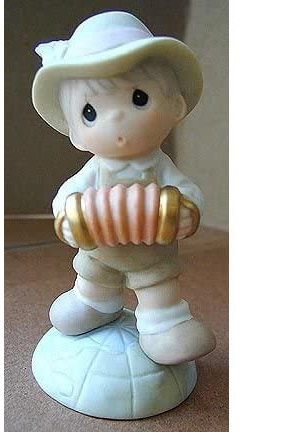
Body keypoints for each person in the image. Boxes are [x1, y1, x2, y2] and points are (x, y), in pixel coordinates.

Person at [32, 11, 216, 365]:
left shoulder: (160, 167)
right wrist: (68, 219)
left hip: (152, 256)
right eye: (90, 112)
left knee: (157, 284)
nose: (116, 119)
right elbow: (67, 196)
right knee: (93, 275)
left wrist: (185, 212)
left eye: (139, 98)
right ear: (75, 133)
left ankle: (164, 323)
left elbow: (187, 191)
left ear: (175, 105)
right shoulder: (93, 170)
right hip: (99, 253)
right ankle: (94, 302)